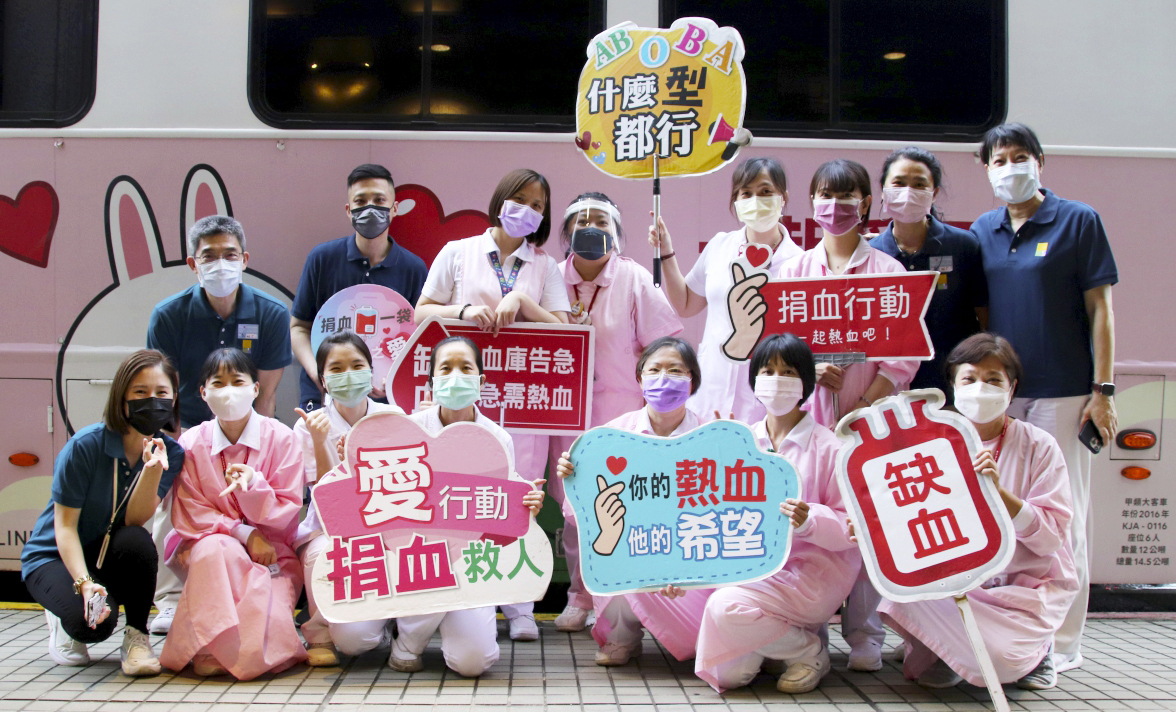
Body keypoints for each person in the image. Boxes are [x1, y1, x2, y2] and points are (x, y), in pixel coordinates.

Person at [970, 123, 1117, 672]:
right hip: (1000, 397)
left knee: (1063, 517)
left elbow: (1101, 310)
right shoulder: (983, 229)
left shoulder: (1078, 220)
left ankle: (1063, 643)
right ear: (986, 170)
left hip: (1065, 390)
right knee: (998, 507)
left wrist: (1103, 390)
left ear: (1039, 162)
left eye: (1019, 156)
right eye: (998, 159)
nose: (1009, 167)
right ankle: (1012, 630)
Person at [766, 159, 919, 671]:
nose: (835, 206)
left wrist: (863, 404)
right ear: (812, 204)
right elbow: (779, 347)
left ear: (866, 203)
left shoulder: (888, 272)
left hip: (870, 425)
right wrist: (811, 371)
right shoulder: (793, 271)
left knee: (867, 526)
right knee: (808, 521)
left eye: (847, 195)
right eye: (825, 196)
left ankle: (865, 635)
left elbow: (902, 357)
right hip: (807, 424)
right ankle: (805, 625)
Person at [415, 168, 570, 641]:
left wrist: (522, 299)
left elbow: (565, 331)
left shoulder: (544, 266)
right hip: (464, 395)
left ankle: (519, 607)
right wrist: (461, 311)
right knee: (461, 492)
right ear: (501, 200)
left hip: (525, 401)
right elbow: (421, 311)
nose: (528, 209)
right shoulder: (457, 252)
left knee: (517, 496)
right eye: (520, 199)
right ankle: (452, 593)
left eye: (538, 205)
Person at [878, 333, 1078, 691]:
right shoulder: (930, 444)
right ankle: (950, 652)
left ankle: (1035, 652)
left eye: (993, 380)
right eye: (969, 378)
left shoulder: (1039, 446)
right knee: (897, 590)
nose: (980, 389)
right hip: (957, 583)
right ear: (953, 386)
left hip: (1021, 590)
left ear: (1011, 389)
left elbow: (1051, 538)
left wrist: (999, 495)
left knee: (999, 662)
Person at [145, 214, 292, 634]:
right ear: (194, 264)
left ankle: (255, 587)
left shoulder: (271, 313)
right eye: (209, 256)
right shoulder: (169, 315)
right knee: (172, 507)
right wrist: (175, 455)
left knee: (253, 506)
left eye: (229, 254)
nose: (220, 264)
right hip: (188, 431)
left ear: (244, 259)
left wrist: (258, 450)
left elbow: (266, 394)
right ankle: (170, 599)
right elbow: (165, 393)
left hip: (248, 430)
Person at [547, 192, 683, 632]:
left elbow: (663, 347)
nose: (591, 228)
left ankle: (618, 598)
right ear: (566, 231)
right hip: (565, 414)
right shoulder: (549, 276)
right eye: (582, 220)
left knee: (623, 506)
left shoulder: (635, 278)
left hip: (621, 415)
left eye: (602, 221)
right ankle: (580, 596)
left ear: (617, 233)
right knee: (575, 509)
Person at [695, 334, 860, 695]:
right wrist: (719, 458)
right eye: (768, 371)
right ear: (754, 380)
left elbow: (852, 526)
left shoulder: (830, 447)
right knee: (728, 674)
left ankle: (809, 652)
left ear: (806, 382)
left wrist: (810, 520)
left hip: (810, 573)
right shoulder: (744, 441)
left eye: (788, 372)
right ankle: (782, 645)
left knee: (725, 608)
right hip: (751, 570)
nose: (776, 380)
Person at [21, 349, 184, 676]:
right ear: (121, 398)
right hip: (54, 557)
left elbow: (134, 521)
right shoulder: (86, 445)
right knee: (93, 626)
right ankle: (61, 616)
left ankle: (137, 638)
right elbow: (65, 527)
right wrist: (84, 583)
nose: (152, 401)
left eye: (161, 393)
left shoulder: (171, 453)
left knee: (138, 541)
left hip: (106, 554)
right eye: (140, 392)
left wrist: (152, 470)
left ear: (174, 399)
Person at [389, 336, 545, 676]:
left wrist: (526, 506)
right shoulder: (409, 431)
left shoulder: (498, 438)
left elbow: (503, 512)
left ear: (481, 380)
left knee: (473, 662)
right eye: (445, 369)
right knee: (434, 568)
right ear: (431, 382)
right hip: (418, 556)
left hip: (472, 560)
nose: (456, 376)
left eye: (465, 368)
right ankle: (407, 641)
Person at [555, 337, 712, 667]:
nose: (663, 378)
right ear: (640, 379)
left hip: (694, 556)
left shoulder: (710, 435)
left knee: (707, 644)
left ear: (693, 380)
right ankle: (621, 637)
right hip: (638, 550)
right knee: (613, 562)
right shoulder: (612, 435)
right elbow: (577, 515)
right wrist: (573, 478)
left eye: (675, 370)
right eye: (654, 370)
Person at [160, 349, 306, 679]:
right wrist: (244, 534)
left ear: (255, 388)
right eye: (218, 383)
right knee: (217, 549)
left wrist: (254, 485)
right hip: (207, 547)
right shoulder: (191, 442)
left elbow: (287, 508)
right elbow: (190, 510)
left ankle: (220, 649)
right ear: (203, 392)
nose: (228, 391)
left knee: (264, 636)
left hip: (273, 554)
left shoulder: (282, 438)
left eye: (238, 382)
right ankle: (210, 647)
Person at [647, 157, 803, 423]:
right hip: (712, 385)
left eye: (766, 191)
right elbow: (686, 303)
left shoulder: (800, 262)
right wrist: (666, 253)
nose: (755, 200)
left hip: (766, 392)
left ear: (783, 198)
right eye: (746, 193)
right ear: (736, 200)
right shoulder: (720, 246)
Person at [293, 330, 405, 666]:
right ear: (323, 381)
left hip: (385, 527)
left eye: (357, 365)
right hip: (330, 529)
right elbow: (326, 500)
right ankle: (320, 632)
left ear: (371, 372)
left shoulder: (394, 419)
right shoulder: (309, 426)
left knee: (360, 639)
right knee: (321, 554)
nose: (348, 375)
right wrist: (320, 443)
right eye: (337, 369)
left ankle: (393, 621)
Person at [291, 164, 428, 412]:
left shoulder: (414, 268)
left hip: (385, 399)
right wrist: (318, 374)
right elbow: (299, 327)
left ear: (394, 208)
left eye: (379, 200)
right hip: (323, 396)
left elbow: (420, 338)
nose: (370, 208)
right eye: (361, 201)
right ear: (349, 210)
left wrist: (395, 379)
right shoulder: (321, 259)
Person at [868, 148, 988, 400]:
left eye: (919, 184)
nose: (908, 192)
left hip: (953, 387)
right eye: (899, 183)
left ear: (934, 193)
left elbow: (984, 318)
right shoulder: (872, 253)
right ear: (883, 190)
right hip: (890, 389)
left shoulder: (963, 246)